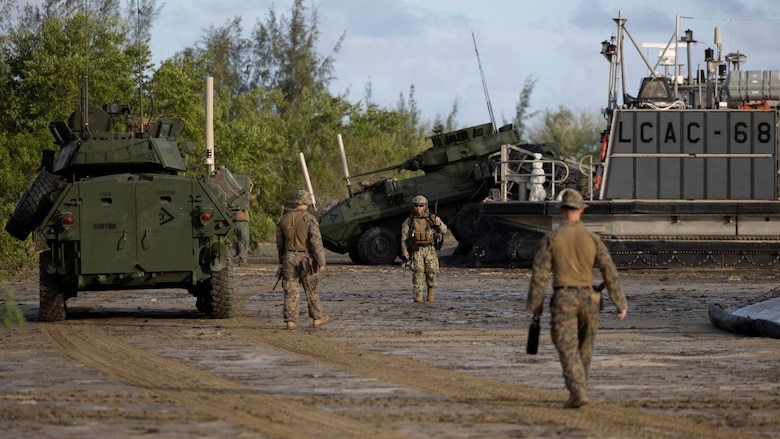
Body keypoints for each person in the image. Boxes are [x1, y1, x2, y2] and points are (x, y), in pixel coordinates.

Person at [526, 189, 628, 409]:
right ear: (581, 210)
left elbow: (540, 276)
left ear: (562, 210)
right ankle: (580, 388)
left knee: (567, 347)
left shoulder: (552, 238)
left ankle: (578, 391)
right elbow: (609, 271)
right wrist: (620, 303)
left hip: (564, 299)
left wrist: (536, 308)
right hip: (590, 299)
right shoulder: (593, 239)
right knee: (585, 348)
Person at [276, 189, 329, 330]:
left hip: (288, 257)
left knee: (290, 290)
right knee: (311, 289)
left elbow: (279, 242)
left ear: (295, 202)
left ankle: (290, 321)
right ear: (306, 202)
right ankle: (317, 318)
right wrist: (321, 262)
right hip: (306, 258)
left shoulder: (285, 218)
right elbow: (316, 242)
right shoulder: (309, 218)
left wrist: (281, 259)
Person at [401, 195, 447, 302]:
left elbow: (444, 230)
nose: (418, 208)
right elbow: (404, 237)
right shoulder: (409, 221)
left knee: (431, 270)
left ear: (425, 206)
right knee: (418, 271)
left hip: (429, 248)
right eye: (416, 206)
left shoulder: (432, 218)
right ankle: (418, 294)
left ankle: (431, 291)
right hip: (417, 249)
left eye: (421, 206)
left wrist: (438, 224)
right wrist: (405, 250)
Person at [234, 180, 259, 267]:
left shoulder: (233, 194)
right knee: (244, 241)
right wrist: (254, 193)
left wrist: (251, 188)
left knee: (241, 241)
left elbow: (246, 196)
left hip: (236, 221)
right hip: (241, 221)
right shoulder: (239, 196)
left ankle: (230, 254)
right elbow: (247, 197)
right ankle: (242, 260)